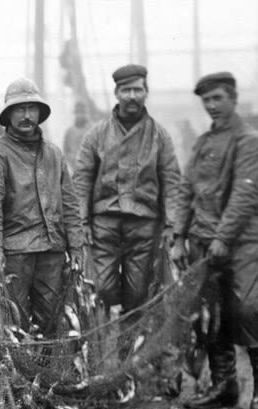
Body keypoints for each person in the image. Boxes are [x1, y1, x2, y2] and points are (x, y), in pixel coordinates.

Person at [172, 71, 258, 409]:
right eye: (206, 100)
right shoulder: (203, 144)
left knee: (251, 309)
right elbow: (186, 190)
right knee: (211, 315)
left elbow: (244, 196)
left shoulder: (251, 143)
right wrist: (178, 237)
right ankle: (224, 385)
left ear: (233, 99)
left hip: (244, 242)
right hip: (204, 243)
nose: (212, 105)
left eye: (218, 98)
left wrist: (222, 238)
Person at [72, 65, 181, 350]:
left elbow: (171, 180)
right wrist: (82, 222)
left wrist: (171, 224)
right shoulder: (96, 134)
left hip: (143, 226)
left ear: (146, 92)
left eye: (138, 90)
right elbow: (82, 178)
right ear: (117, 93)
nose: (132, 96)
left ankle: (127, 357)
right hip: (104, 226)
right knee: (101, 290)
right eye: (126, 90)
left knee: (137, 294)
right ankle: (99, 354)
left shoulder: (159, 136)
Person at [0, 78, 83, 338]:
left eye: (32, 108)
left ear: (39, 113)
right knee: (14, 325)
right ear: (8, 115)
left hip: (52, 253)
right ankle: (19, 367)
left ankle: (48, 366)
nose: (26, 115)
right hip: (14, 255)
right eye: (19, 109)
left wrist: (76, 247)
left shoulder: (54, 154)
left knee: (53, 325)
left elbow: (70, 204)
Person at [63, 101, 91, 172]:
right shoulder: (69, 132)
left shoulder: (93, 130)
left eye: (82, 112)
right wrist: (73, 161)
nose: (80, 115)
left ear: (86, 113)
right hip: (77, 170)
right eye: (78, 112)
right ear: (75, 113)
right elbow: (66, 151)